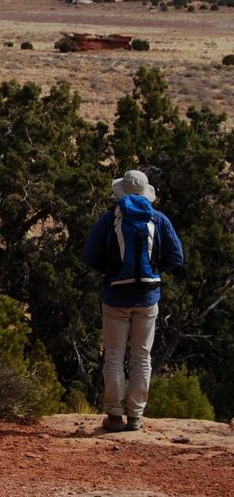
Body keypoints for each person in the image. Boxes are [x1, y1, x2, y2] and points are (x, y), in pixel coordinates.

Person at [82, 170, 183, 432]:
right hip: (148, 298)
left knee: (114, 356)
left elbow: (90, 256)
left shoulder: (110, 218)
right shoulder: (158, 219)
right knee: (142, 356)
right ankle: (135, 416)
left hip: (115, 297)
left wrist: (111, 272)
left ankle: (114, 415)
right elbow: (177, 257)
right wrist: (153, 270)